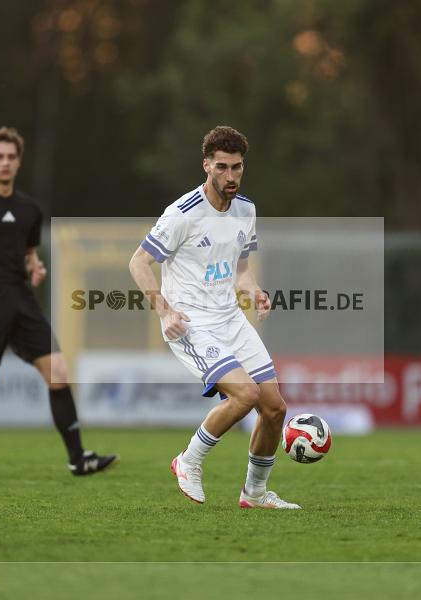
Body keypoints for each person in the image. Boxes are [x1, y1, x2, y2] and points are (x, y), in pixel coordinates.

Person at [128, 125, 299, 509]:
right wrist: (164, 309)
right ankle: (188, 461)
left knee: (274, 408)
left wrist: (252, 290)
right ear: (206, 165)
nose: (231, 176)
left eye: (237, 167)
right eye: (222, 167)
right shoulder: (181, 214)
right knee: (245, 394)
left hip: (231, 319)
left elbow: (240, 268)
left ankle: (254, 493)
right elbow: (138, 262)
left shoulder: (246, 211)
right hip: (190, 322)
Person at [0, 126, 117, 478]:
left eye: (11, 157)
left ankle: (78, 459)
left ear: (18, 163)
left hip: (22, 301)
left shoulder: (29, 209)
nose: (4, 163)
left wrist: (34, 269)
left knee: (59, 374)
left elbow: (29, 254)